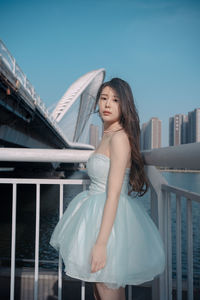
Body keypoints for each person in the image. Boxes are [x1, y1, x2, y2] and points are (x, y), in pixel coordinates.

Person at [50, 78, 166, 300]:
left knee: (106, 286)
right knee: (98, 288)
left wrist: (101, 244)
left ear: (124, 106)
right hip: (96, 214)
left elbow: (113, 194)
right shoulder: (107, 135)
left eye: (114, 100)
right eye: (103, 98)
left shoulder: (119, 138)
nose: (107, 104)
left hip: (110, 222)